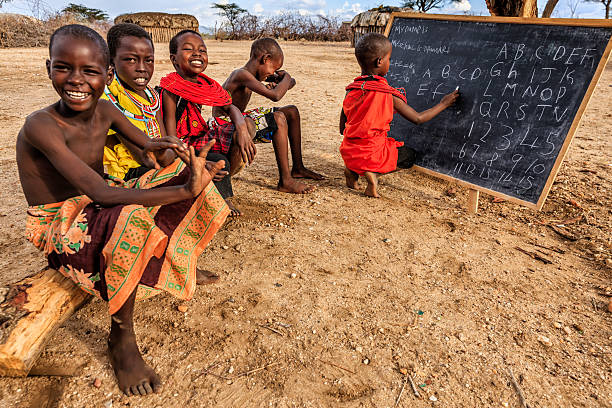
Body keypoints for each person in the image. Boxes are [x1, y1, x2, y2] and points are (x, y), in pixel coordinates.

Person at [17, 25, 228, 396]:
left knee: (190, 179)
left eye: (91, 71)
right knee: (132, 213)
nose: (77, 80)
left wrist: (184, 163)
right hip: (59, 226)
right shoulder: (41, 125)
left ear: (107, 74)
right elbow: (100, 190)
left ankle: (171, 259)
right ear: (48, 66)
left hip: (96, 207)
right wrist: (181, 188)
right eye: (64, 67)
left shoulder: (105, 110)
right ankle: (121, 338)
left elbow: (147, 143)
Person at [339, 33, 459, 198]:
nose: (390, 63)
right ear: (379, 62)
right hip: (372, 155)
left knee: (371, 149)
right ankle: (372, 174)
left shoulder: (351, 90)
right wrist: (444, 103)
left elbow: (341, 128)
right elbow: (418, 119)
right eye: (389, 59)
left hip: (349, 153)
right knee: (409, 156)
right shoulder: (387, 94)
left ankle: (352, 172)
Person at [160, 29, 254, 216]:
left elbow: (230, 106)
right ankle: (222, 198)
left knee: (248, 124)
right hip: (182, 145)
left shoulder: (206, 85)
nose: (197, 53)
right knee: (220, 161)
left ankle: (219, 176)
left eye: (202, 50)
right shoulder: (171, 88)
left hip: (200, 136)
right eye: (188, 49)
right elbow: (171, 136)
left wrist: (242, 129)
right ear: (174, 59)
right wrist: (189, 159)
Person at [213, 38, 324, 194]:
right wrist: (285, 78)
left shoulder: (253, 75)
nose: (272, 73)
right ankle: (285, 181)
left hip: (240, 117)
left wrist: (283, 80)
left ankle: (298, 167)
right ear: (265, 59)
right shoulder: (241, 74)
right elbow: (275, 96)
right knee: (278, 118)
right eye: (274, 68)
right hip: (224, 124)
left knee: (291, 111)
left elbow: (290, 83)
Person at [102, 23, 173, 181]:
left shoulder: (152, 95)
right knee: (187, 173)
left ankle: (225, 203)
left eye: (148, 60)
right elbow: (147, 158)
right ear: (111, 61)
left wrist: (173, 151)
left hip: (160, 158)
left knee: (214, 160)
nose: (142, 68)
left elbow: (163, 138)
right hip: (131, 170)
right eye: (131, 60)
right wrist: (176, 151)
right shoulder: (110, 99)